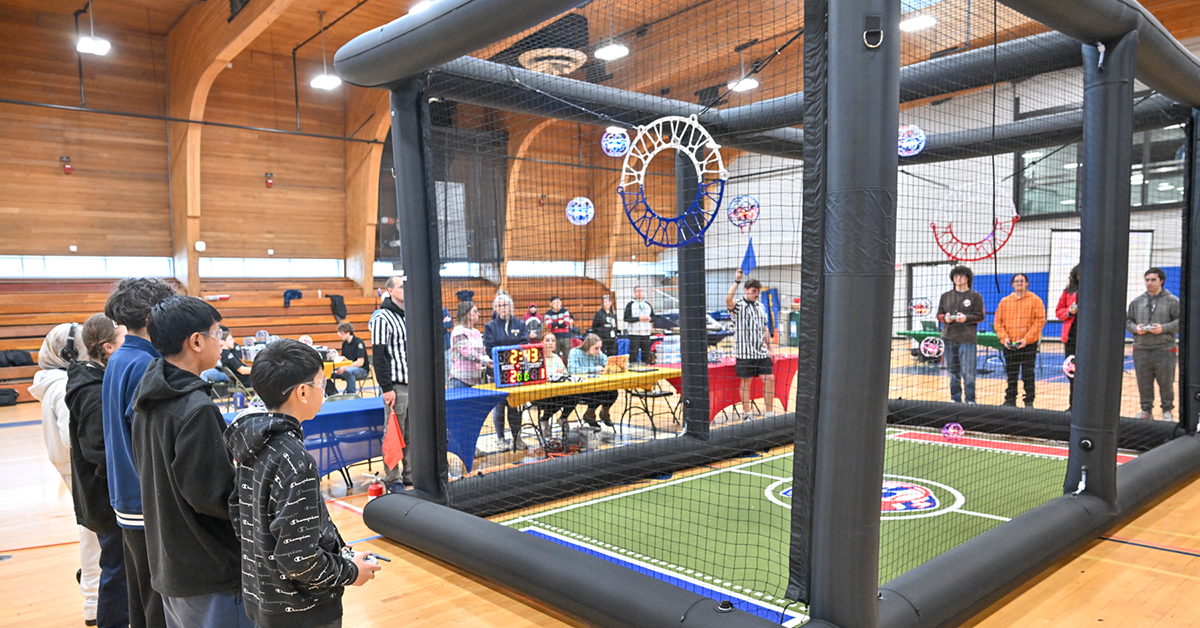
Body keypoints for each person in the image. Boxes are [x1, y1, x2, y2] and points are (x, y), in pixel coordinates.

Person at [225, 339, 380, 628]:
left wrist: (336, 548)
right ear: (303, 392)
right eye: (322, 382)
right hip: (302, 611)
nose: (325, 389)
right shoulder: (295, 459)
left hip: (263, 597)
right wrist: (350, 571)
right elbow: (298, 558)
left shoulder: (252, 443)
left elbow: (239, 516)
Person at [130, 296, 250, 627]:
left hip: (170, 561)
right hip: (208, 567)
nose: (222, 341)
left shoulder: (148, 395)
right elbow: (213, 496)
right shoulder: (197, 410)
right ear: (196, 341)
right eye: (217, 333)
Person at [101, 276, 177, 628]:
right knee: (159, 605)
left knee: (142, 601)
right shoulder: (145, 364)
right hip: (146, 501)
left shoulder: (121, 357)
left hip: (126, 497)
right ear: (151, 315)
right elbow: (152, 443)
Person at [29, 322, 101, 626]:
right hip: (80, 468)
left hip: (73, 467)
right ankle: (94, 601)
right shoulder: (61, 385)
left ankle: (94, 594)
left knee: (93, 533)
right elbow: (72, 436)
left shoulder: (55, 380)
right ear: (69, 353)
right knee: (94, 535)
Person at [66, 314, 131, 628]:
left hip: (105, 495)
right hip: (105, 498)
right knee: (117, 571)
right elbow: (98, 452)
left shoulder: (96, 379)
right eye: (123, 341)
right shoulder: (92, 391)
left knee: (121, 569)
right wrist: (126, 487)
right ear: (107, 347)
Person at [1126, 267, 1181, 421]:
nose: (1149, 283)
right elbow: (1128, 321)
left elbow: (1180, 321)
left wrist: (1164, 328)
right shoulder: (1137, 302)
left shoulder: (1172, 301)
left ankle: (1167, 410)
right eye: (1147, 280)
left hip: (1165, 349)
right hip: (1141, 349)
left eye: (1153, 280)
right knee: (1143, 382)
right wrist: (1135, 328)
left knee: (1166, 382)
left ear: (1161, 281)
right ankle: (1146, 410)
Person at [370, 275, 409, 485]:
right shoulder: (382, 318)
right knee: (394, 433)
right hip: (396, 386)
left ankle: (411, 475)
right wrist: (386, 387)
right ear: (391, 291)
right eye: (401, 287)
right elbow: (379, 356)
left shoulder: (410, 315)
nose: (406, 290)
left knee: (412, 433)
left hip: (414, 385)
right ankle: (393, 477)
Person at [483, 292, 530, 450]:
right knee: (499, 405)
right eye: (500, 306)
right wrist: (508, 354)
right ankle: (500, 438)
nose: (503, 308)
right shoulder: (490, 326)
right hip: (496, 373)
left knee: (514, 405)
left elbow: (524, 343)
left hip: (515, 371)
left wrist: (510, 356)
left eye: (505, 305)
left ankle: (516, 438)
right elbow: (490, 348)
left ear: (511, 306)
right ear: (496, 308)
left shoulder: (520, 324)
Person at [725, 270, 775, 418]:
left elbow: (765, 328)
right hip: (744, 353)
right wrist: (737, 281)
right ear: (746, 290)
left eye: (757, 291)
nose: (756, 294)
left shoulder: (761, 306)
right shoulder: (738, 306)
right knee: (746, 382)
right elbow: (728, 300)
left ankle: (769, 412)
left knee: (769, 379)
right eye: (753, 291)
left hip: (761, 352)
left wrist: (771, 348)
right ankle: (747, 413)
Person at [993, 273, 1046, 408]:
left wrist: (1026, 339)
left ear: (1027, 283)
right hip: (1010, 345)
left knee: (1028, 373)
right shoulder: (1005, 301)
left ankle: (1029, 401)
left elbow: (1040, 321)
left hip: (1028, 345)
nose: (1019, 283)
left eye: (1022, 281)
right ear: (1012, 284)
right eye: (1016, 281)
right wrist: (1004, 338)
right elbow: (998, 322)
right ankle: (1010, 400)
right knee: (1011, 374)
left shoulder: (1036, 300)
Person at [937, 266, 985, 404]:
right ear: (952, 278)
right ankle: (955, 399)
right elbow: (939, 315)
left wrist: (966, 318)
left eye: (962, 275)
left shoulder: (975, 296)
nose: (959, 278)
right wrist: (945, 318)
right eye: (956, 275)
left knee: (968, 372)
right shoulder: (945, 296)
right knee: (952, 371)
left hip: (967, 339)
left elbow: (980, 316)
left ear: (968, 278)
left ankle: (970, 400)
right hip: (948, 338)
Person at [567, 333, 617, 429]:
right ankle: (590, 415)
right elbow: (572, 370)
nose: (599, 351)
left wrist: (617, 365)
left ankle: (604, 413)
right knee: (598, 393)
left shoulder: (599, 354)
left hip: (596, 386)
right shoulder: (575, 352)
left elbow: (608, 362)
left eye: (600, 348)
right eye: (596, 348)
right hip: (579, 388)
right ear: (588, 346)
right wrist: (594, 369)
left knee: (613, 391)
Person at [533, 332, 576, 437]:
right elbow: (539, 375)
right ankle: (544, 420)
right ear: (541, 342)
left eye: (553, 340)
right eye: (547, 340)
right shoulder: (537, 358)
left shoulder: (557, 357)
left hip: (558, 391)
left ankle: (563, 418)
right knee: (556, 399)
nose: (550, 343)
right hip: (541, 394)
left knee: (575, 396)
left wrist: (561, 374)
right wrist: (555, 374)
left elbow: (566, 373)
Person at [449, 301, 493, 388]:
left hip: (475, 381)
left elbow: (482, 353)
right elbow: (469, 353)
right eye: (475, 311)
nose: (478, 314)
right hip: (460, 381)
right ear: (466, 314)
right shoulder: (458, 331)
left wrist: (490, 363)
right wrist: (487, 361)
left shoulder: (477, 332)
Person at [1056, 264, 1081, 410]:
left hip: (1090, 340)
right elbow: (1058, 311)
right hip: (1071, 338)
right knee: (1072, 373)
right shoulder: (1068, 291)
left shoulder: (1097, 291)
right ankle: (1073, 406)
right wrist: (1070, 312)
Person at [332, 322, 369, 394]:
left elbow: (360, 362)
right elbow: (343, 359)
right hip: (347, 368)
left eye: (341, 333)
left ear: (348, 333)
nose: (340, 335)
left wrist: (345, 367)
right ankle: (333, 394)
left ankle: (351, 394)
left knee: (348, 372)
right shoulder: (344, 344)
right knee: (327, 373)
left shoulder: (358, 342)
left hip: (361, 370)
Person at [623, 286, 655, 364]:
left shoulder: (647, 304)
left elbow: (654, 317)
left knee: (646, 354)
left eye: (641, 291)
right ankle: (632, 367)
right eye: (637, 291)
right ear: (634, 293)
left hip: (646, 333)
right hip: (634, 333)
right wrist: (638, 318)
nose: (640, 292)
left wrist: (650, 318)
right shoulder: (630, 304)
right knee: (634, 354)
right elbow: (626, 318)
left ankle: (645, 366)